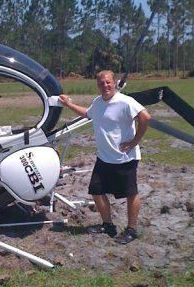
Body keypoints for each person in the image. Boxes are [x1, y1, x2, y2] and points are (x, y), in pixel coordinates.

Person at [59, 70, 151, 244]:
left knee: (131, 194)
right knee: (97, 192)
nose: (105, 86)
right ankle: (107, 225)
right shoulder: (98, 102)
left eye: (108, 82)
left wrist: (134, 141)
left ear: (114, 82)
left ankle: (131, 230)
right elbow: (87, 114)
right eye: (101, 83)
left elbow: (145, 117)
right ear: (98, 85)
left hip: (125, 158)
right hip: (104, 158)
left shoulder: (125, 102)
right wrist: (69, 104)